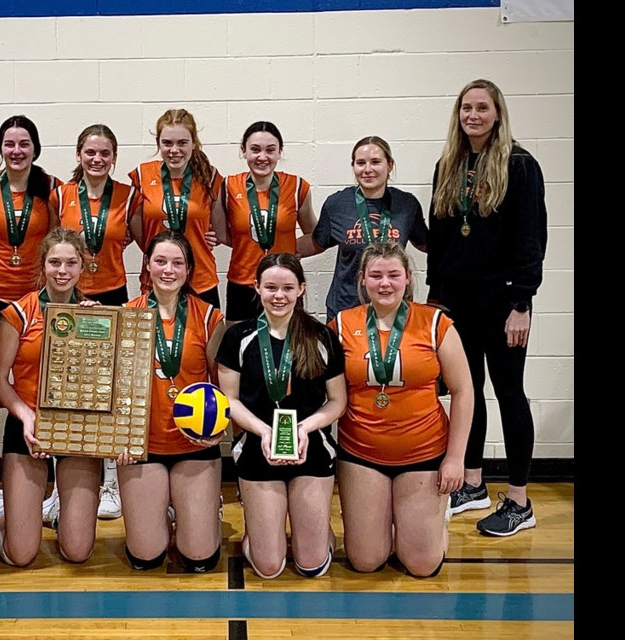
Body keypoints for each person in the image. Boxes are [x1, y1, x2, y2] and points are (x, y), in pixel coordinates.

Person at [427, 79, 548, 537]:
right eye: (465, 108)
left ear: (497, 113)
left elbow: (531, 237)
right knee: (467, 389)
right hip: (457, 297)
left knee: (509, 391)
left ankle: (519, 499)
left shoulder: (519, 165)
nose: (472, 115)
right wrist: (436, 297)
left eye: (482, 108)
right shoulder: (449, 165)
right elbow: (441, 239)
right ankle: (473, 483)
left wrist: (523, 301)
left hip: (503, 299)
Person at [332, 241, 472, 576]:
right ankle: (387, 523)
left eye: (394, 275)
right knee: (366, 561)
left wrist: (455, 458)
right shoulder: (341, 324)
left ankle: (431, 522)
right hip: (361, 453)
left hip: (423, 453)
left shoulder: (435, 322)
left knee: (422, 565)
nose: (385, 283)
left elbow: (464, 391)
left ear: (408, 278)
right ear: (362, 280)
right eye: (376, 275)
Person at [217, 253, 346, 579]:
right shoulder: (238, 338)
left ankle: (316, 531)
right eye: (271, 287)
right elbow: (229, 400)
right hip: (257, 448)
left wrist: (305, 428)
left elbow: (337, 402)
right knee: (269, 566)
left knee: (311, 565)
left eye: (288, 287)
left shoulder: (322, 336)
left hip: (312, 449)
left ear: (302, 289)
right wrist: (263, 431)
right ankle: (259, 532)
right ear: (257, 287)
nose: (279, 295)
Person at [116, 231, 227, 572]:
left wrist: (220, 432)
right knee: (145, 557)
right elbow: (110, 386)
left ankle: (203, 510)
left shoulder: (210, 318)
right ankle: (163, 506)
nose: (168, 270)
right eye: (160, 261)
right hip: (142, 447)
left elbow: (222, 387)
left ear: (189, 270)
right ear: (147, 267)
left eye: (177, 263)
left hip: (194, 444)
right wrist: (118, 436)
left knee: (200, 558)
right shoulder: (124, 315)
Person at [0, 228, 104, 566]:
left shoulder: (95, 315)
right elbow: (0, 382)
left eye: (71, 263)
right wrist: (26, 417)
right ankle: (1, 520)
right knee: (21, 555)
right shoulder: (19, 313)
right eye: (54, 262)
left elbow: (106, 382)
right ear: (42, 266)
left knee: (77, 552)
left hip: (76, 430)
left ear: (82, 267)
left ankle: (58, 512)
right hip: (29, 427)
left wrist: (101, 327)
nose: (62, 271)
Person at [51, 124, 139, 520]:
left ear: (114, 157)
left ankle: (110, 482)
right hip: (70, 300)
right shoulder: (61, 195)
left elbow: (136, 236)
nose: (97, 160)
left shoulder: (128, 195)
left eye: (105, 153)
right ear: (79, 154)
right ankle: (59, 486)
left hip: (112, 296)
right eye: (90, 153)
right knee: (68, 388)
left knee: (111, 391)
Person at [298, 136, 427, 322]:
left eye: (375, 162)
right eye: (360, 163)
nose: (368, 170)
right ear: (354, 166)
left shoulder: (407, 204)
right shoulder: (337, 204)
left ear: (389, 165)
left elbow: (425, 243)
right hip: (346, 307)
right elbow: (316, 243)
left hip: (392, 307)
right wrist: (275, 247)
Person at [129, 109, 227, 308]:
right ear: (158, 143)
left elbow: (220, 230)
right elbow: (140, 232)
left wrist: (205, 237)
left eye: (182, 143)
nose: (174, 150)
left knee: (204, 339)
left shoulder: (209, 176)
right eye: (167, 143)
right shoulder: (142, 175)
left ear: (194, 143)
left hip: (200, 279)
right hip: (157, 278)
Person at [222, 122, 316, 324]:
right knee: (239, 347)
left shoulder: (297, 186)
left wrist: (291, 250)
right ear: (243, 151)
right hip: (242, 281)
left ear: (279, 152)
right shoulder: (228, 186)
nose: (262, 157)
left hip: (284, 283)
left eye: (270, 150)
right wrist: (244, 244)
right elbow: (221, 233)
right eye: (255, 150)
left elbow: (314, 234)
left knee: (287, 347)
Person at [0, 115, 61, 304]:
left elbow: (56, 240)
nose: (16, 151)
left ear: (35, 149)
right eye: (9, 144)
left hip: (37, 295)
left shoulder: (52, 186)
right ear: (1, 148)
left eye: (24, 144)